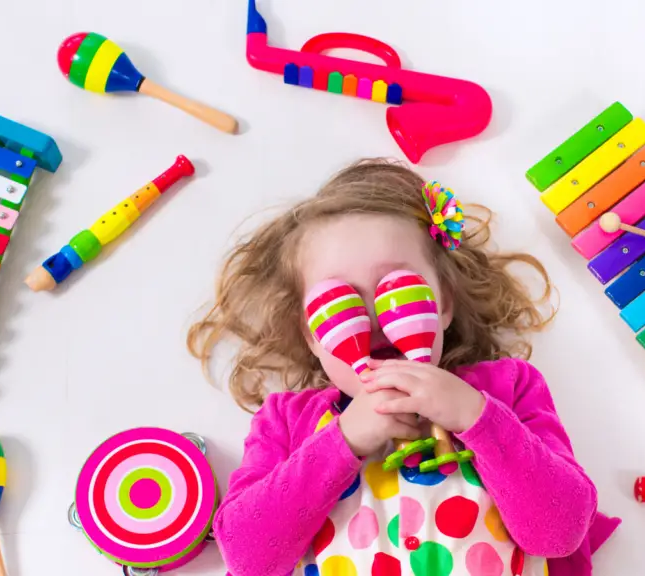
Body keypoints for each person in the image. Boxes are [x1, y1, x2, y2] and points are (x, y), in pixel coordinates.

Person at [189, 159, 620, 576]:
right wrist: (343, 440)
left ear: (443, 303)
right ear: (311, 336)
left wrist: (475, 416)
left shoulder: (508, 388)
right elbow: (247, 558)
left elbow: (560, 534)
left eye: (395, 286)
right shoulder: (287, 420)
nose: (371, 316)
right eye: (339, 300)